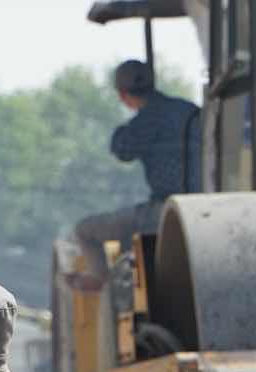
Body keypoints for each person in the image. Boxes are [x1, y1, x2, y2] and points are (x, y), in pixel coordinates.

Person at [74, 59, 200, 271]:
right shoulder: (190, 111)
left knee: (85, 230)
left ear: (123, 95)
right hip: (202, 204)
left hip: (165, 211)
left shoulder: (146, 121)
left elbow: (122, 150)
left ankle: (101, 283)